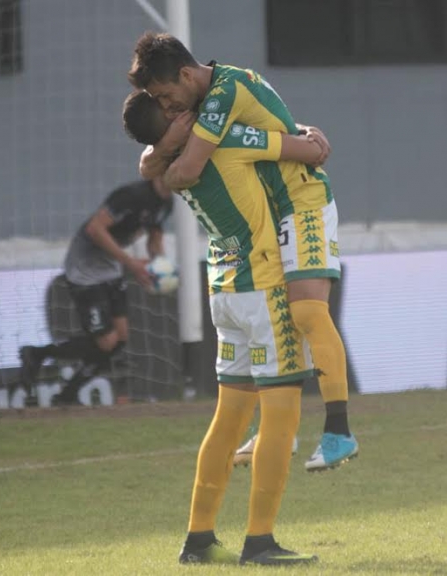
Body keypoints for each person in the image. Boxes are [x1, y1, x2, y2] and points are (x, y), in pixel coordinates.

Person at [128, 32, 357, 472]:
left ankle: (339, 431)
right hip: (274, 211)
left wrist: (173, 159)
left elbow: (185, 170)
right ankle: (280, 431)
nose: (167, 106)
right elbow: (147, 164)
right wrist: (170, 144)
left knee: (307, 313)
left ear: (185, 74)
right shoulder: (198, 105)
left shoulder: (224, 92)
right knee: (276, 319)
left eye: (165, 95)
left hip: (302, 199)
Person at [124, 90, 325, 565]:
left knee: (229, 417)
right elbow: (308, 152)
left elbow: (149, 162)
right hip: (264, 287)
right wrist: (309, 135)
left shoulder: (170, 162)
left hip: (225, 288)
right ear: (171, 119)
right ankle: (260, 542)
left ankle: (198, 540)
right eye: (175, 105)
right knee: (281, 417)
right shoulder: (228, 139)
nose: (189, 105)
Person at [18, 178, 173, 403]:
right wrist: (131, 264)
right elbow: (94, 228)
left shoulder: (167, 203)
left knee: (120, 338)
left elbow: (154, 241)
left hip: (111, 265)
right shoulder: (131, 195)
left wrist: (158, 270)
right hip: (85, 268)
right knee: (107, 341)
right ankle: (39, 354)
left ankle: (65, 395)